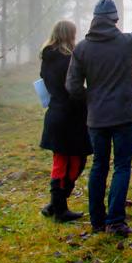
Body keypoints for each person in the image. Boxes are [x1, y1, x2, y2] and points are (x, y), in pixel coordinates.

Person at [66, 0, 132, 236]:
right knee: (122, 166)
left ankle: (98, 221)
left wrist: (92, 100)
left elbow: (73, 87)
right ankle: (115, 221)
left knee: (99, 166)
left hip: (96, 118)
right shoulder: (125, 43)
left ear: (95, 20)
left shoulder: (82, 50)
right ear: (114, 19)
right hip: (123, 116)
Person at [39, 20, 91, 222]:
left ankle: (56, 204)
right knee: (74, 161)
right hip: (71, 116)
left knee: (63, 160)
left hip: (56, 113)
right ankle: (59, 208)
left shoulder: (47, 58)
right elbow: (74, 89)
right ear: (70, 35)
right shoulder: (68, 59)